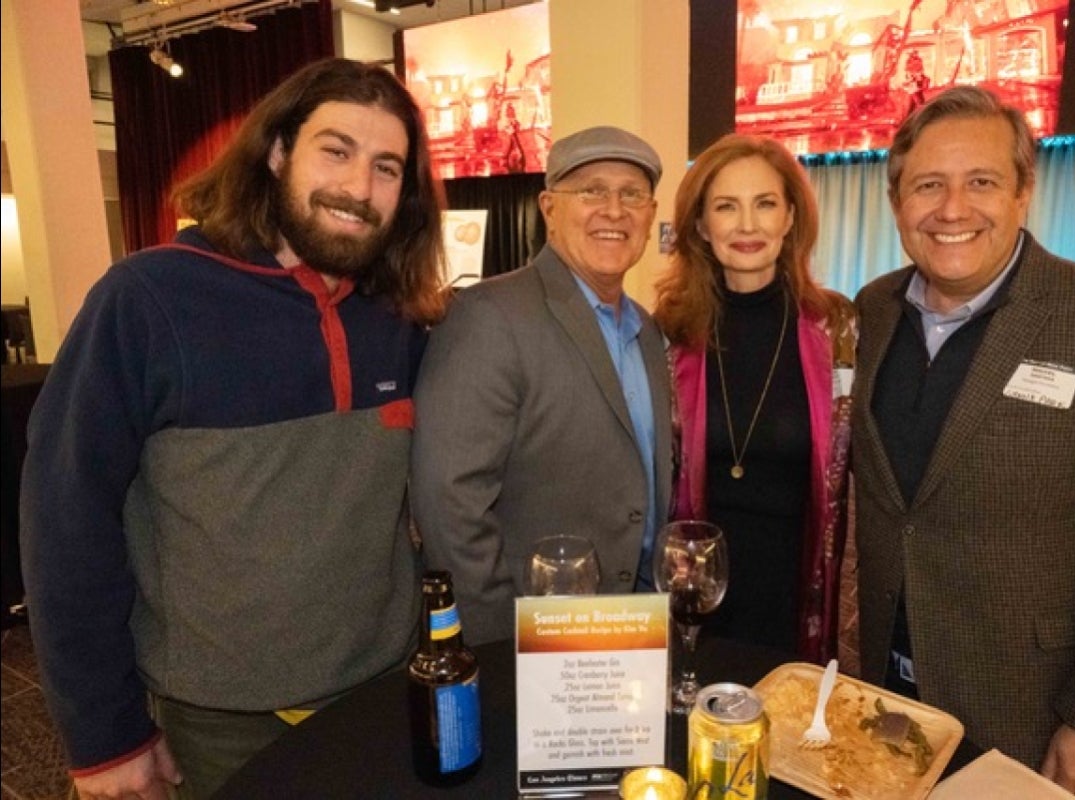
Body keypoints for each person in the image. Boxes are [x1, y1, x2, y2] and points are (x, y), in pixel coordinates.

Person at [19, 58, 447, 800]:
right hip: (217, 723)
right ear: (278, 150)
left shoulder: (395, 315)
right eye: (335, 151)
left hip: (379, 688)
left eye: (386, 167)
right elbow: (65, 521)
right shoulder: (150, 299)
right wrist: (104, 736)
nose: (359, 188)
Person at [852, 86, 1075, 799]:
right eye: (927, 186)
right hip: (883, 687)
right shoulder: (874, 309)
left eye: (980, 181)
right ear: (896, 204)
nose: (952, 209)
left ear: (1022, 193)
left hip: (1032, 706)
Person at [411, 126, 673, 645]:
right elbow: (448, 504)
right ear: (549, 209)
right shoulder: (488, 315)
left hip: (634, 626)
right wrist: (503, 645)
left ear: (651, 214)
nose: (614, 210)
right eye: (592, 190)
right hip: (531, 641)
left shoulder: (646, 331)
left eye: (632, 195)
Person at [654, 134, 855, 660]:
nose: (747, 225)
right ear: (700, 225)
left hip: (799, 588)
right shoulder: (666, 336)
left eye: (765, 203)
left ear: (790, 218)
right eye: (726, 206)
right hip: (696, 595)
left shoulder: (839, 330)